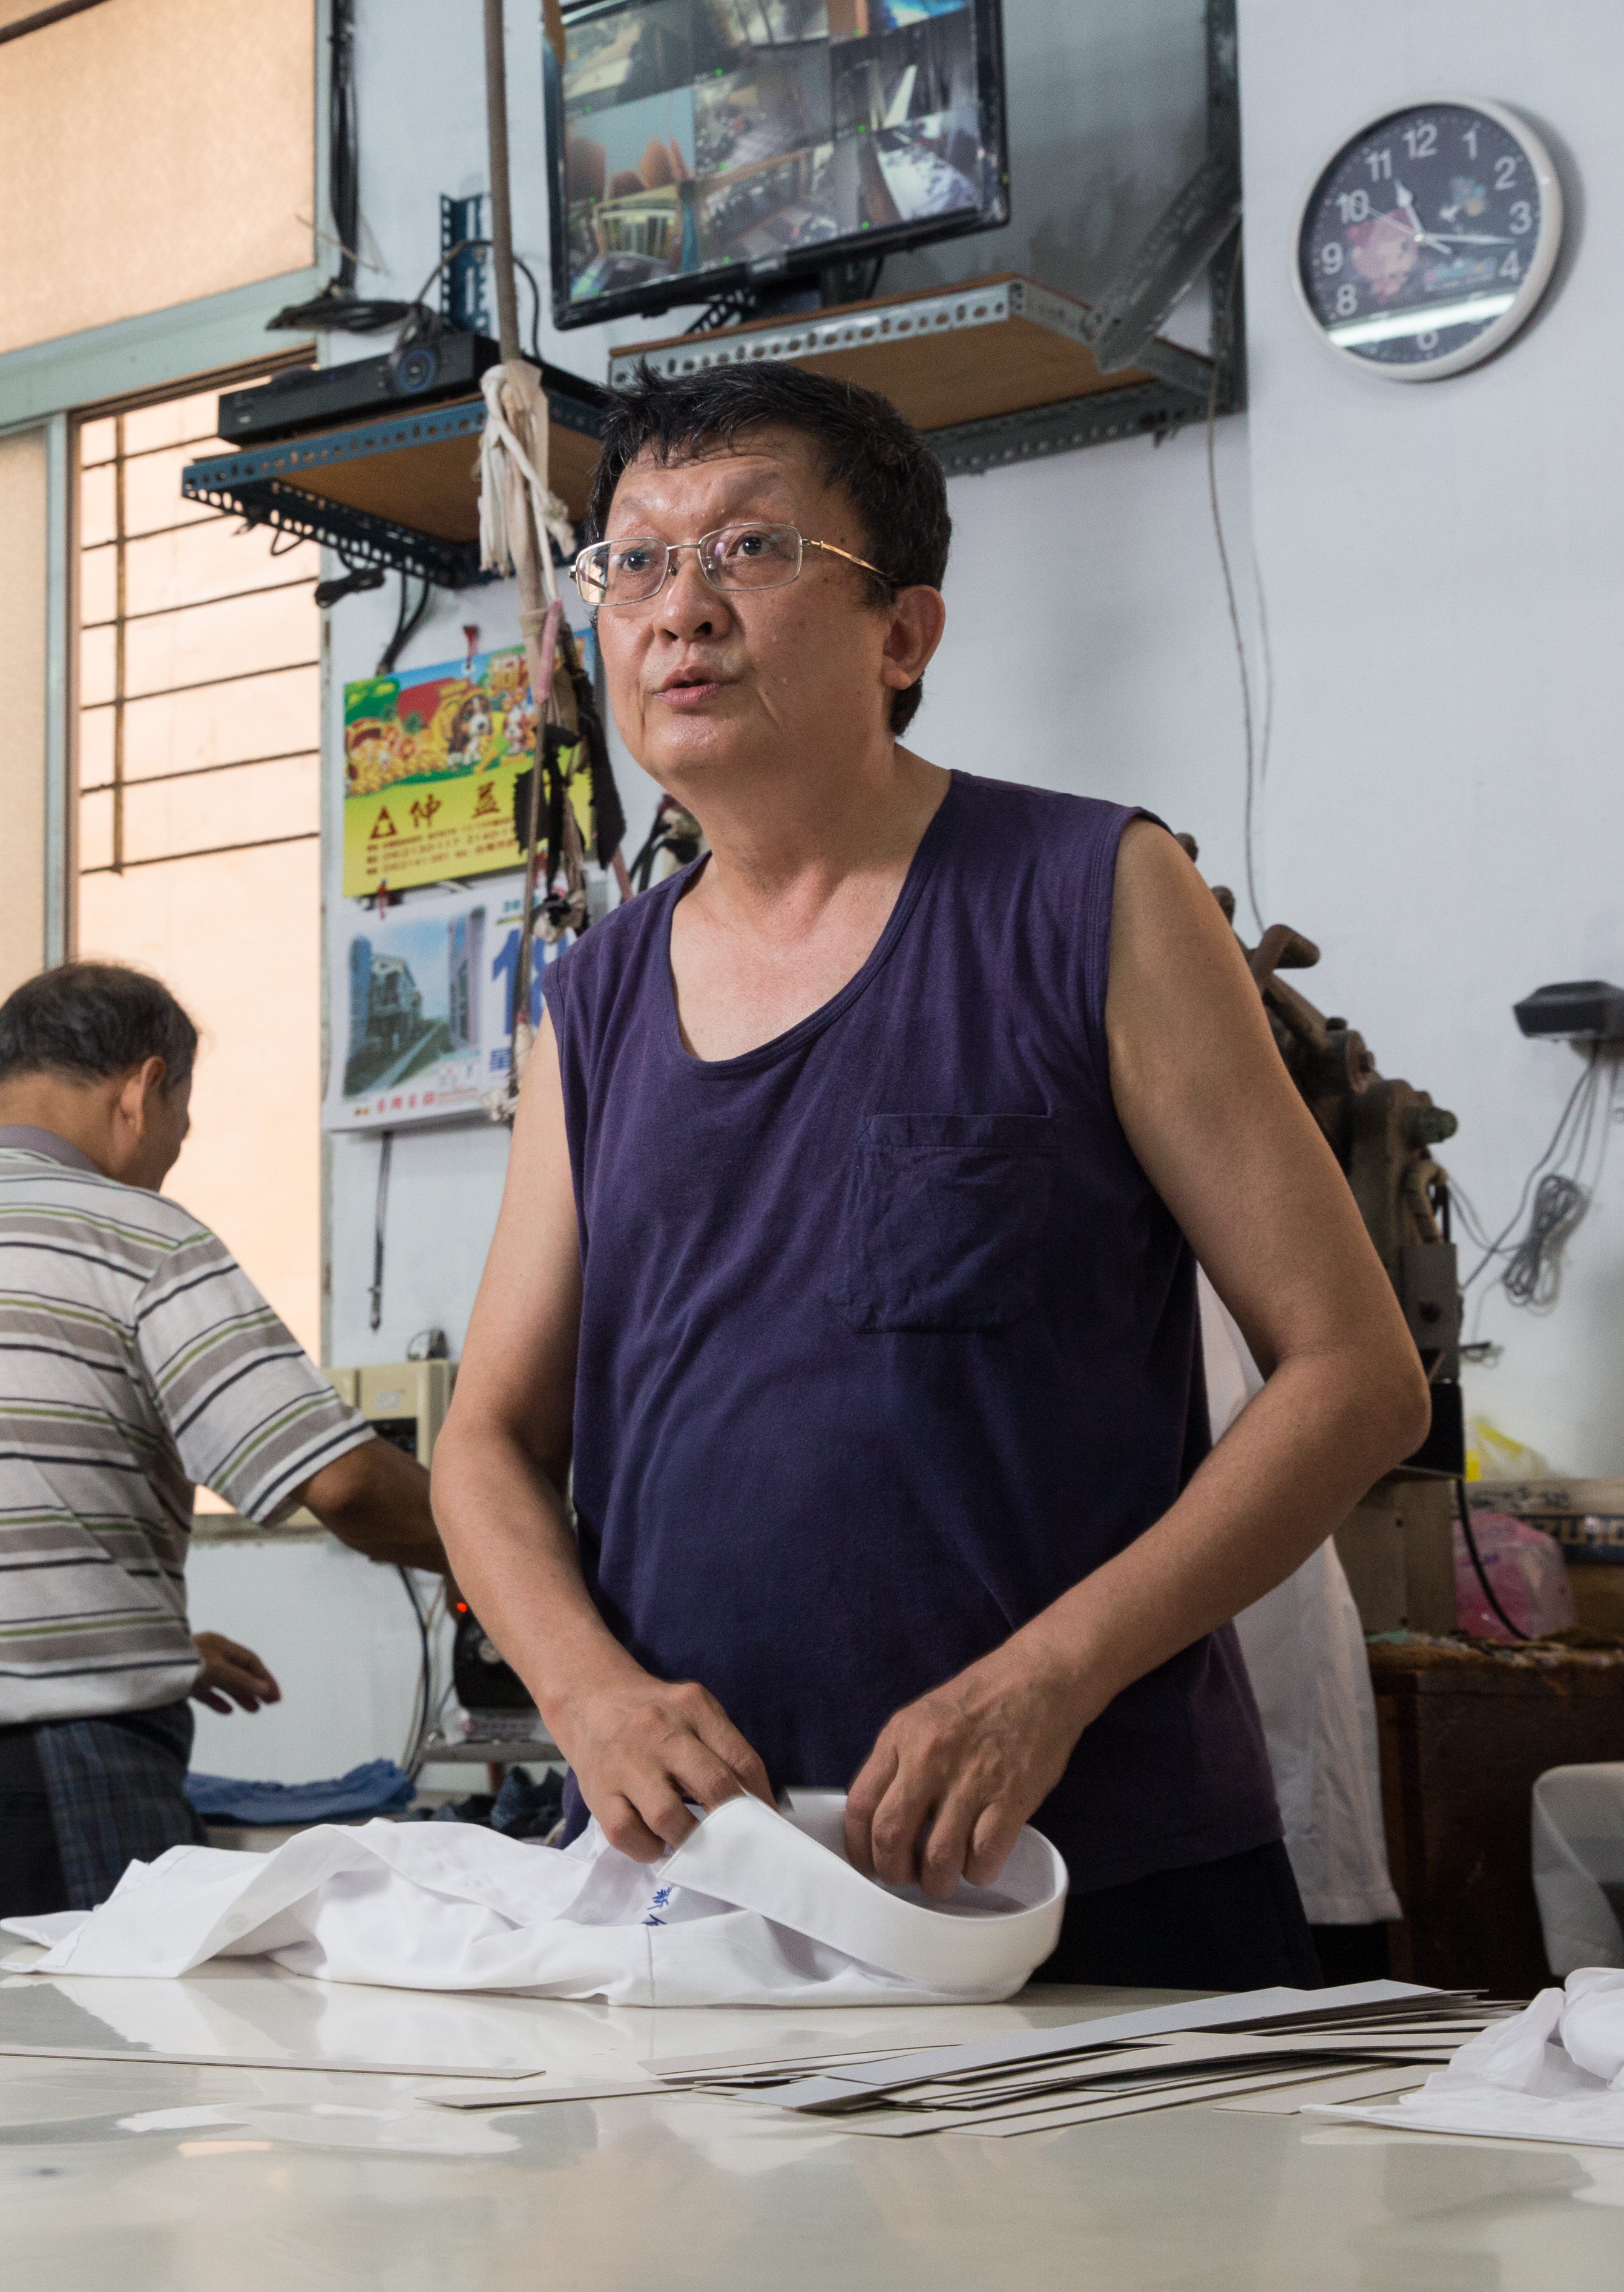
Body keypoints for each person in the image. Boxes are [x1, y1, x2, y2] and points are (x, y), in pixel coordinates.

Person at [429, 364, 1430, 1991]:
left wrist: (1045, 1680)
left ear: (904, 636)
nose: (678, 610)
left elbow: (1355, 1379)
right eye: (634, 563)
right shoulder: (596, 997)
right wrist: (590, 1695)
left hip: (1080, 1877)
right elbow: (486, 1439)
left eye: (749, 553)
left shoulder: (1090, 893)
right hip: (720, 1885)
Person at [0, 963, 445, 1920]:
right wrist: (541, 1559)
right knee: (94, 2066)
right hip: (43, 1792)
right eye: (181, 1124)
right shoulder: (138, 1240)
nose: (171, 1154)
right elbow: (350, 1487)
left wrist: (148, 1646)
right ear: (143, 1091)